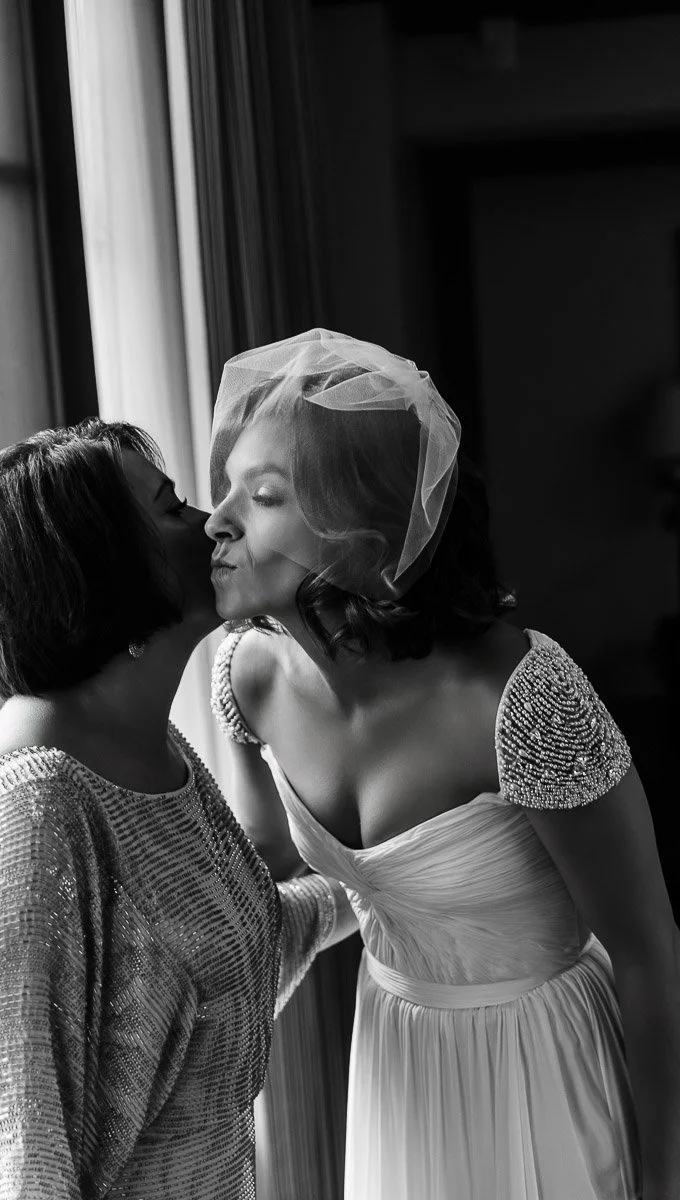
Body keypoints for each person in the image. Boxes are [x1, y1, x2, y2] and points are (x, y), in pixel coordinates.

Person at [206, 328, 680, 1200]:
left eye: (262, 495)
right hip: (397, 1066)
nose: (218, 520)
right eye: (226, 488)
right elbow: (255, 871)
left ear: (362, 535)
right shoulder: (249, 676)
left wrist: (665, 1183)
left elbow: (650, 950)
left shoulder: (519, 697)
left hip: (543, 1070)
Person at [0, 416, 353, 1200]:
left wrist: (386, 883)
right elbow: (11, 1171)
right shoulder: (28, 818)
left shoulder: (148, 744)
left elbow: (227, 954)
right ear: (104, 574)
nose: (213, 523)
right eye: (173, 508)